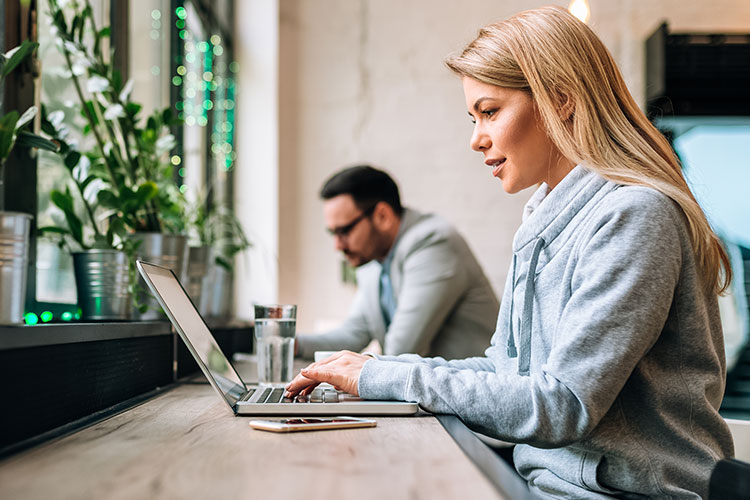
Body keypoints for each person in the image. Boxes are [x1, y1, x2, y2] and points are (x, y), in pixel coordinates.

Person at [286, 6, 735, 499]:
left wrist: (382, 375)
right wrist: (368, 374)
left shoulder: (634, 215)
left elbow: (563, 404)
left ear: (560, 99)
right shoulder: (542, 217)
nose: (476, 139)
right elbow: (504, 372)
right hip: (545, 484)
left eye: (490, 111)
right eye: (473, 116)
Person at [295, 165, 500, 360]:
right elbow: (353, 334)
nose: (337, 246)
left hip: (475, 391)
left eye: (344, 231)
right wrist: (288, 344)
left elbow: (402, 350)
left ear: (382, 216)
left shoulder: (433, 244)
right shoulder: (372, 261)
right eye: (333, 233)